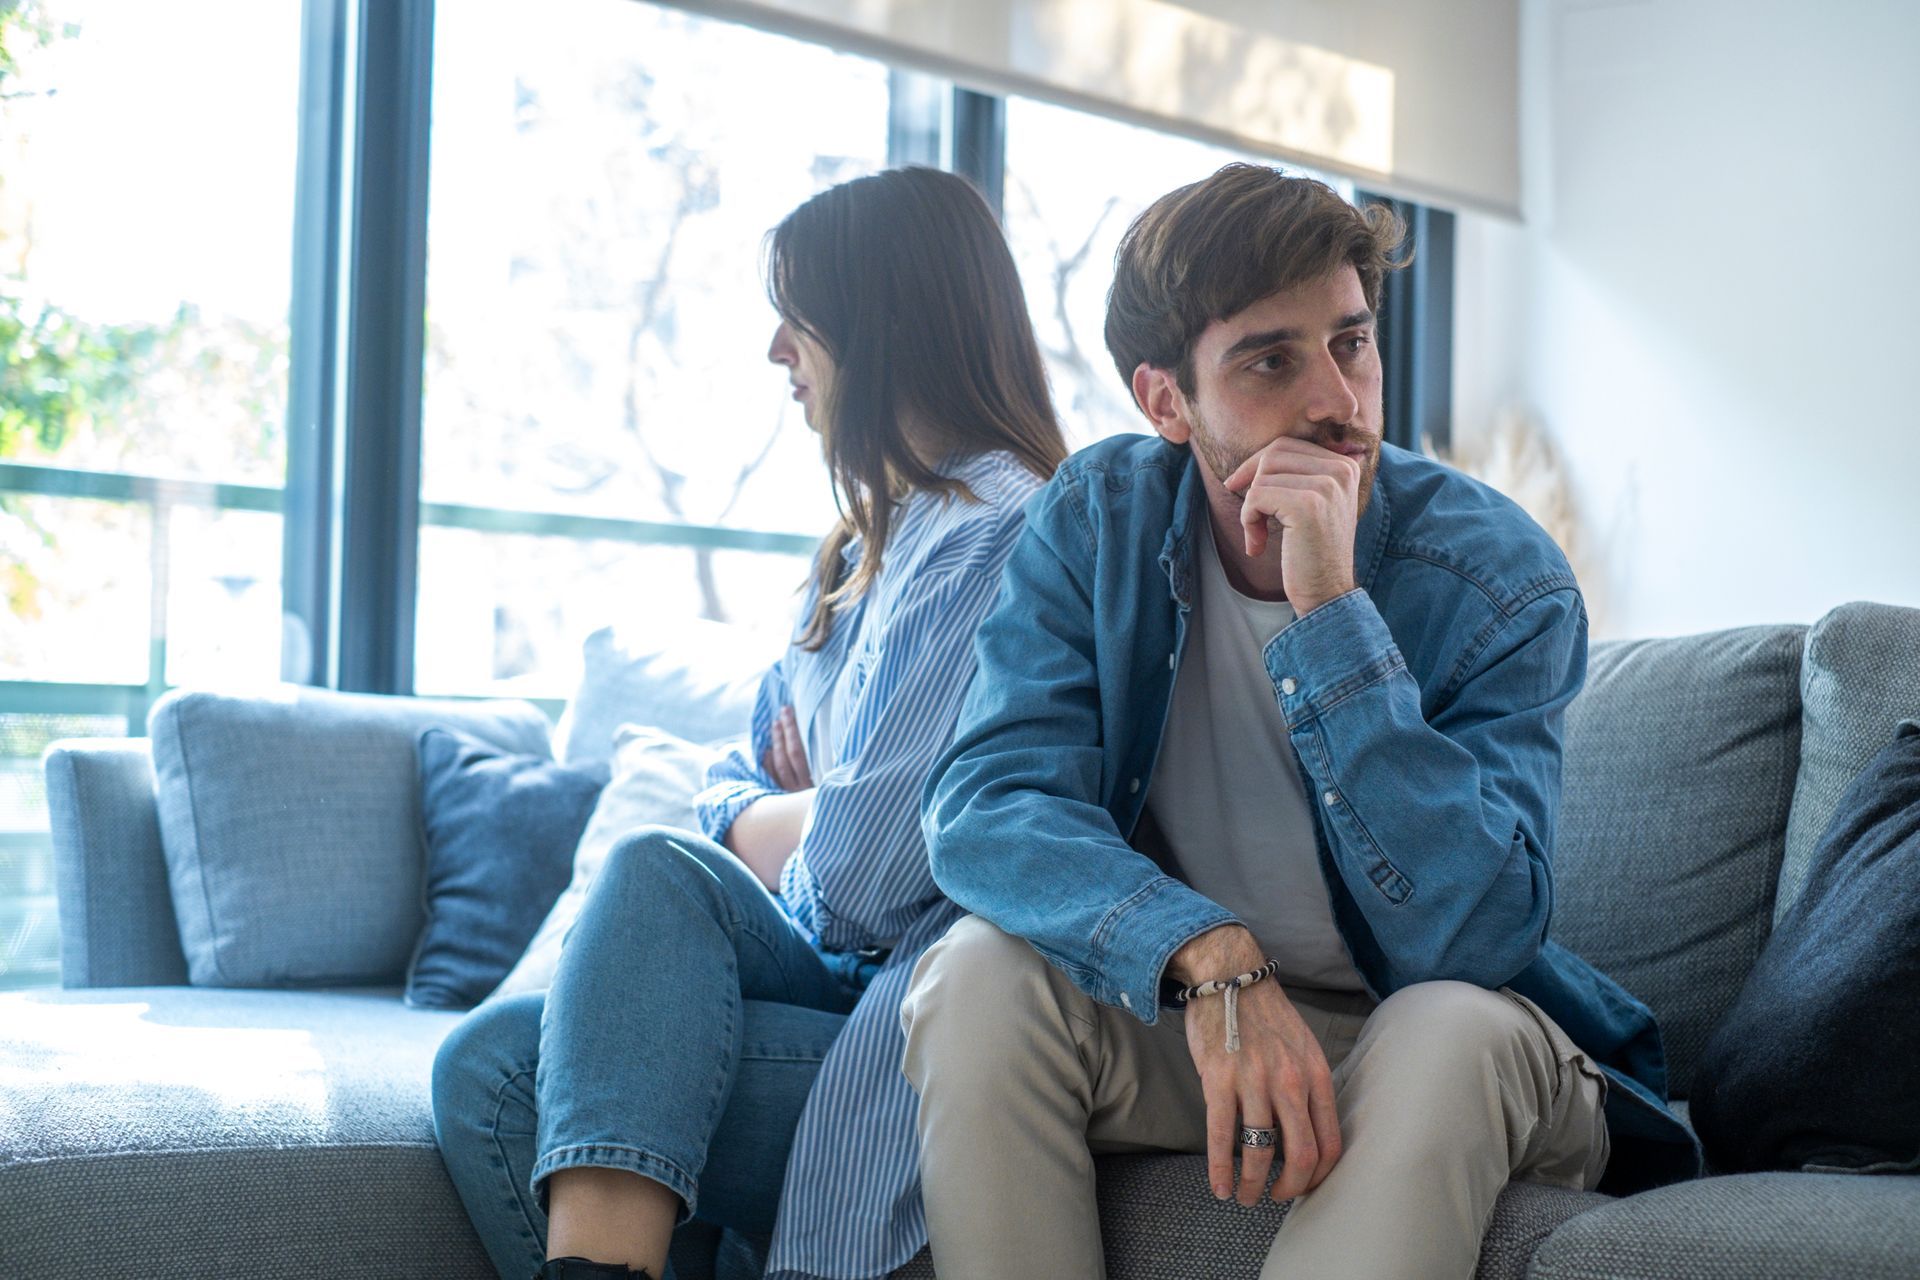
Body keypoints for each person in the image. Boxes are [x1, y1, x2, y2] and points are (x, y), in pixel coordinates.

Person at [903, 164, 1700, 1279]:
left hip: (1461, 1033)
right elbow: (988, 805)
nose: (1338, 400)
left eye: (1352, 342)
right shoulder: (1097, 521)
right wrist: (1208, 955)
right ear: (1165, 402)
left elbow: (1476, 940)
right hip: (1224, 1016)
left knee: (1440, 1027)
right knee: (977, 974)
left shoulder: (1498, 576)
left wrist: (1331, 616)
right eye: (1271, 360)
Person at [431, 165, 1067, 1280]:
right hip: (828, 974)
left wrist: (810, 814)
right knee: (511, 1031)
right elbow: (731, 777)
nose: (778, 350)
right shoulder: (858, 553)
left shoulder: (996, 532)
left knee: (523, 1050)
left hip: (913, 1017)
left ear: (885, 324)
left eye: (799, 317)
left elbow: (864, 883)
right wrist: (805, 805)